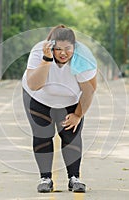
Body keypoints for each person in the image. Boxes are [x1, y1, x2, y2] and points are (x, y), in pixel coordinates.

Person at [22, 24, 97, 193]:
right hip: (39, 97)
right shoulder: (38, 52)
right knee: (43, 134)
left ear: (74, 47)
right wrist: (47, 59)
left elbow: (89, 90)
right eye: (58, 49)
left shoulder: (83, 58)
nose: (63, 53)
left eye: (68, 49)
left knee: (71, 135)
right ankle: (45, 178)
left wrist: (78, 115)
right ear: (51, 47)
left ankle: (74, 178)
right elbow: (34, 85)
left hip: (70, 99)